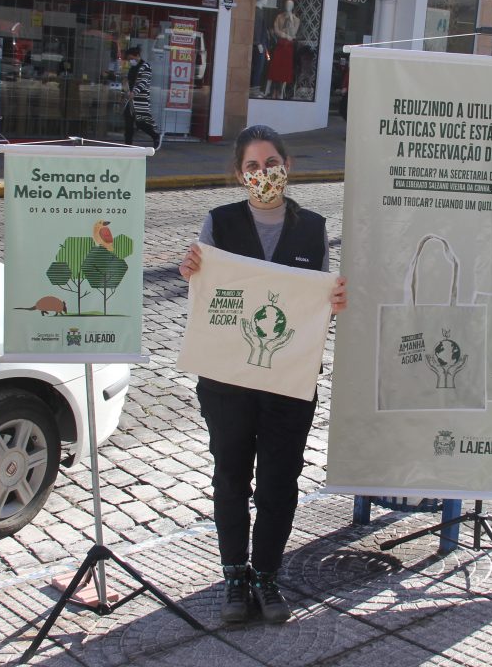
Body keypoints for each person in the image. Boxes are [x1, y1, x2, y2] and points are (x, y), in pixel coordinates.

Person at [178, 125, 347, 624]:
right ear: (239, 174)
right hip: (227, 383)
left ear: (287, 167)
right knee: (230, 476)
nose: (263, 174)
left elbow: (316, 305)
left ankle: (267, 576)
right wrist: (191, 270)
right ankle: (234, 578)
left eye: (271, 163)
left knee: (279, 480)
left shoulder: (312, 228)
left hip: (289, 384)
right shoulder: (219, 223)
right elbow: (202, 293)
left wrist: (333, 303)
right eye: (252, 167)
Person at [123, 46, 160, 149]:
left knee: (141, 123)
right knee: (128, 123)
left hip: (140, 100)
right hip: (130, 100)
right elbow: (129, 81)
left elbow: (143, 82)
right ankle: (128, 146)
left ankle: (155, 136)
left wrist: (134, 92)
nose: (130, 61)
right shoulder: (132, 68)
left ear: (137, 56)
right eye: (129, 59)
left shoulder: (146, 67)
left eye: (131, 58)